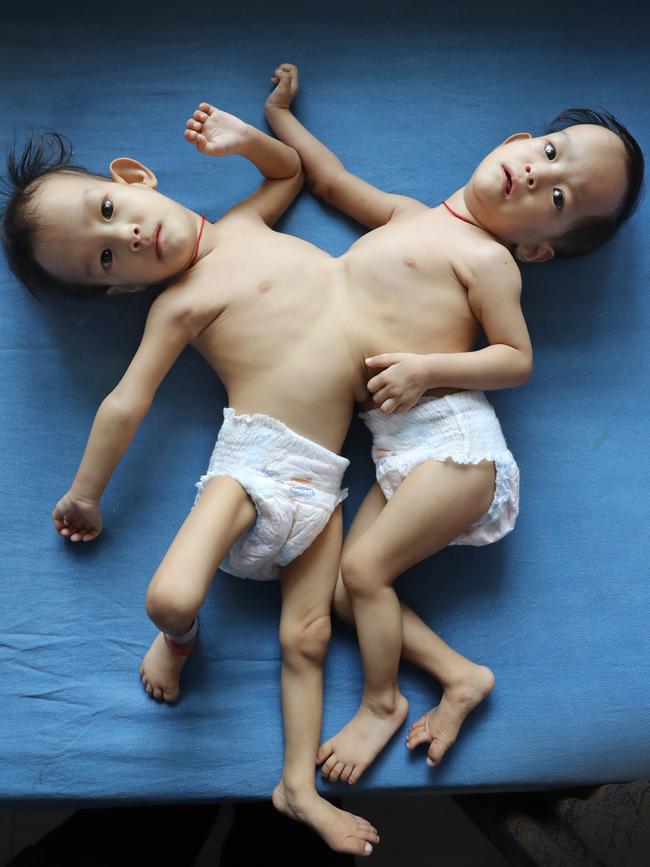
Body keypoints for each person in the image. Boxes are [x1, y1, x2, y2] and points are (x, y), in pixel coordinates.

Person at [0, 102, 379, 858]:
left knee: (306, 639)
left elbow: (290, 171)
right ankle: (179, 641)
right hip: (254, 462)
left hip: (325, 474)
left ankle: (297, 786)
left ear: (134, 178)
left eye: (110, 211)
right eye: (107, 257)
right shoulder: (176, 305)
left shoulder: (241, 226)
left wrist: (246, 141)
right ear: (119, 291)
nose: (127, 236)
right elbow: (125, 402)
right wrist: (86, 492)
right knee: (169, 597)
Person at [263, 63, 644, 787]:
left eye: (557, 196)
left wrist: (428, 368)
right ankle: (460, 675)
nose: (535, 175)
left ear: (538, 248)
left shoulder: (489, 262)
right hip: (401, 449)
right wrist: (281, 119)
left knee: (363, 570)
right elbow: (333, 180)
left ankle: (382, 701)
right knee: (349, 592)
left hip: (454, 444)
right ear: (516, 140)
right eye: (551, 152)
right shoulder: (410, 215)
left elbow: (515, 359)